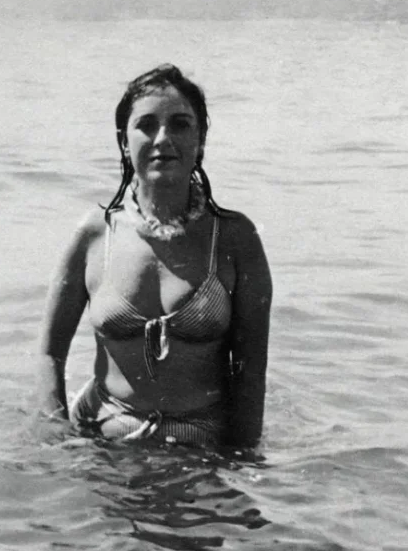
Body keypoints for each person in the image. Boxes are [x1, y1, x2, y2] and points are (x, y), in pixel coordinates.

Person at [36, 64, 271, 450]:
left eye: (180, 124)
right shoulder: (95, 235)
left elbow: (250, 372)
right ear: (124, 141)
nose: (163, 138)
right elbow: (48, 355)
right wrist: (55, 438)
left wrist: (242, 462)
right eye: (146, 125)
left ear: (201, 139)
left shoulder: (234, 239)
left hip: (200, 443)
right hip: (101, 438)